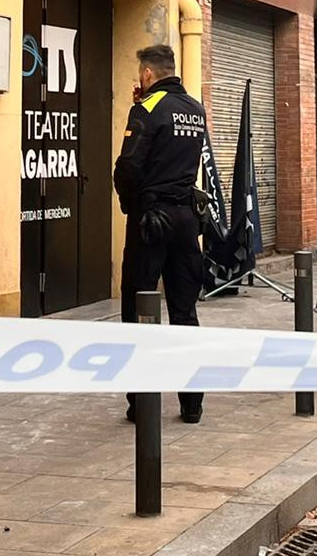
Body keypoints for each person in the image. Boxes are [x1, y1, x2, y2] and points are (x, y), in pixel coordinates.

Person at [115, 44, 208, 425]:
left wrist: (131, 204)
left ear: (149, 74)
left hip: (152, 219)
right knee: (185, 310)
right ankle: (192, 403)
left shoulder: (147, 109)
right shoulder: (196, 109)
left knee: (138, 308)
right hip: (186, 218)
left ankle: (140, 401)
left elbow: (128, 167)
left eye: (141, 75)